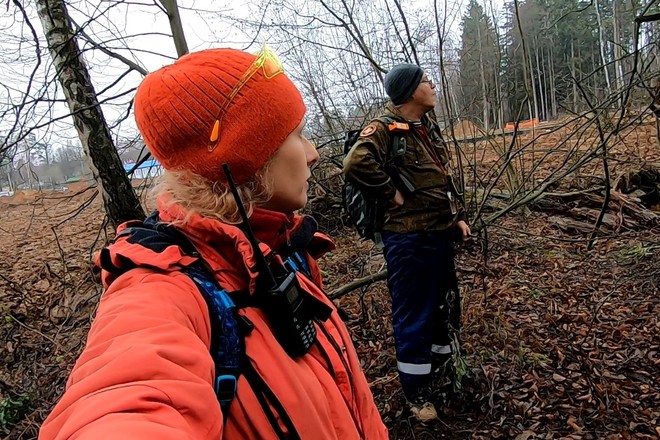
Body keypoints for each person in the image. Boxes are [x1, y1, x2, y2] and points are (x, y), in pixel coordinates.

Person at [39, 46, 388, 440]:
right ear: (247, 160)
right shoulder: (161, 292)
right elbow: (122, 400)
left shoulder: (280, 249)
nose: (313, 154)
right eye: (297, 135)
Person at [342, 63, 471, 422]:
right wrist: (390, 193)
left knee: (445, 306)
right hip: (408, 238)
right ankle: (417, 393)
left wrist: (457, 217)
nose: (433, 86)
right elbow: (355, 164)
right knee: (415, 312)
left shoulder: (425, 127)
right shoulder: (384, 128)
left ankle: (443, 371)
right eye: (427, 81)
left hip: (438, 231)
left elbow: (442, 177)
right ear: (412, 91)